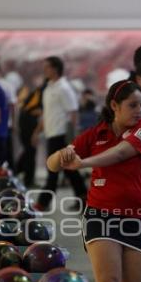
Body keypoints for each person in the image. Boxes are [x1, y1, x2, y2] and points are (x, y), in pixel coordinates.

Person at [46, 80, 141, 282]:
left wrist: (83, 163)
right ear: (114, 106)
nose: (138, 110)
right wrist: (61, 156)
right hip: (100, 215)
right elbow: (52, 163)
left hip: (137, 217)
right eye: (132, 105)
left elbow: (121, 153)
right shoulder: (95, 134)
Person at [32, 56, 87, 211]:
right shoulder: (48, 88)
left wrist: (72, 139)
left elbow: (73, 112)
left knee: (53, 169)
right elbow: (46, 113)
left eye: (47, 67)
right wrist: (37, 132)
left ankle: (42, 202)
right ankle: (84, 197)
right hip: (51, 134)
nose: (44, 70)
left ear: (55, 68)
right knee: (70, 170)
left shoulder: (64, 88)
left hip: (61, 135)